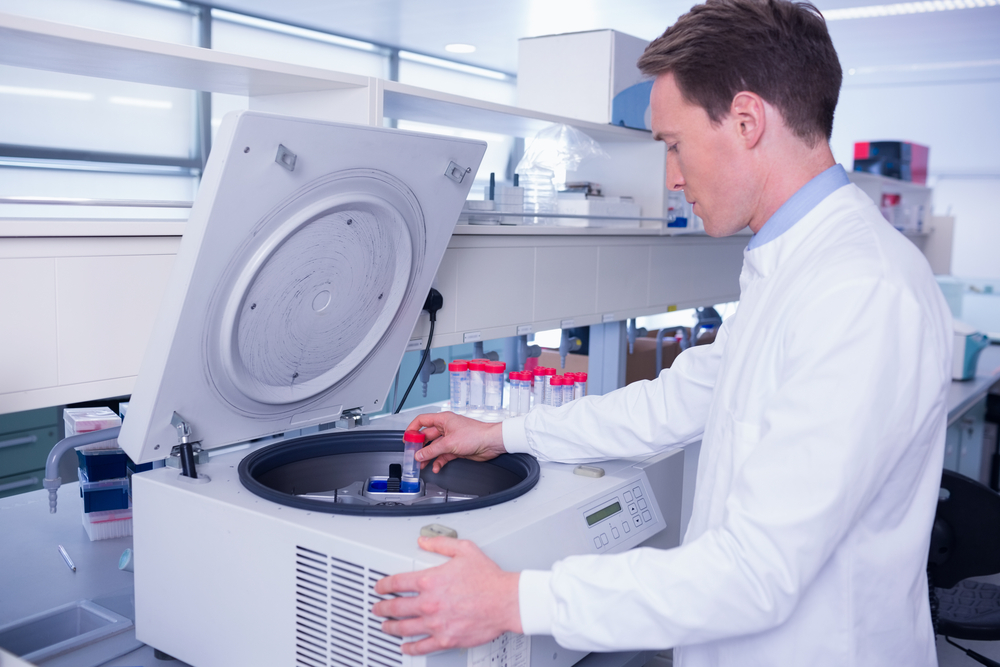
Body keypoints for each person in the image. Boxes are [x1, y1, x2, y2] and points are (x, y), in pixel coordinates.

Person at [373, 0, 953, 664]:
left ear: (746, 119)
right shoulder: (795, 269)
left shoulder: (859, 291)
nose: (672, 177)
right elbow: (676, 401)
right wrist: (501, 432)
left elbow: (755, 571)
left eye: (674, 144)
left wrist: (512, 600)